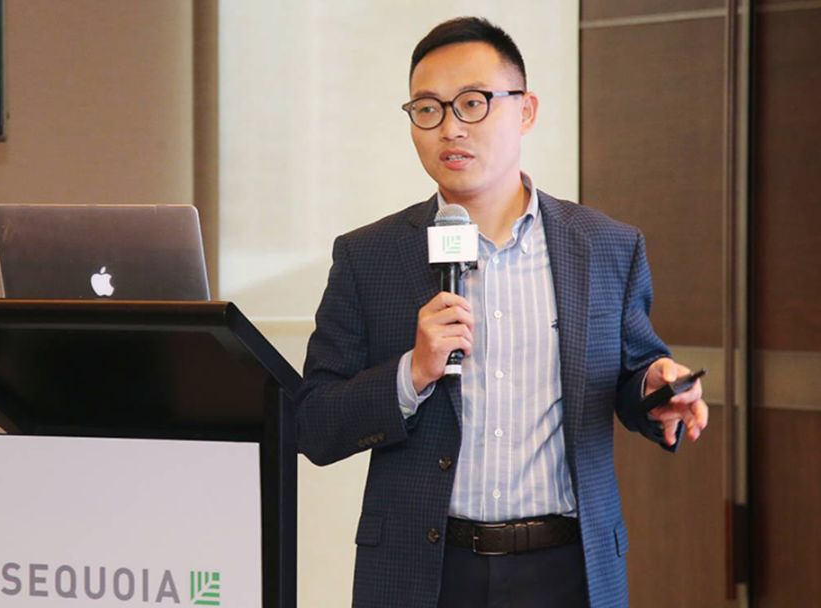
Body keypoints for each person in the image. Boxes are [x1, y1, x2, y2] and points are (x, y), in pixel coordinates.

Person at [296, 16, 708, 608]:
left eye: (473, 103)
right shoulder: (369, 257)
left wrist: (657, 387)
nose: (450, 127)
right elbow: (314, 422)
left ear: (526, 111)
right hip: (424, 573)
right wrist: (412, 373)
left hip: (568, 570)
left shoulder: (605, 246)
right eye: (428, 109)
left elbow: (632, 377)